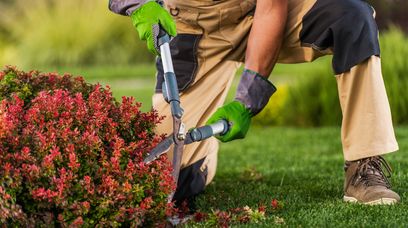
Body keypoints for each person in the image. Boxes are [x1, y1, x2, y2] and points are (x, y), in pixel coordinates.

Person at [109, 0, 400, 207]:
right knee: (172, 181)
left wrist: (246, 101)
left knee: (352, 18)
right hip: (190, 28)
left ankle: (364, 165)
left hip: (257, 13)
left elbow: (271, 8)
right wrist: (139, 5)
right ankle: (203, 156)